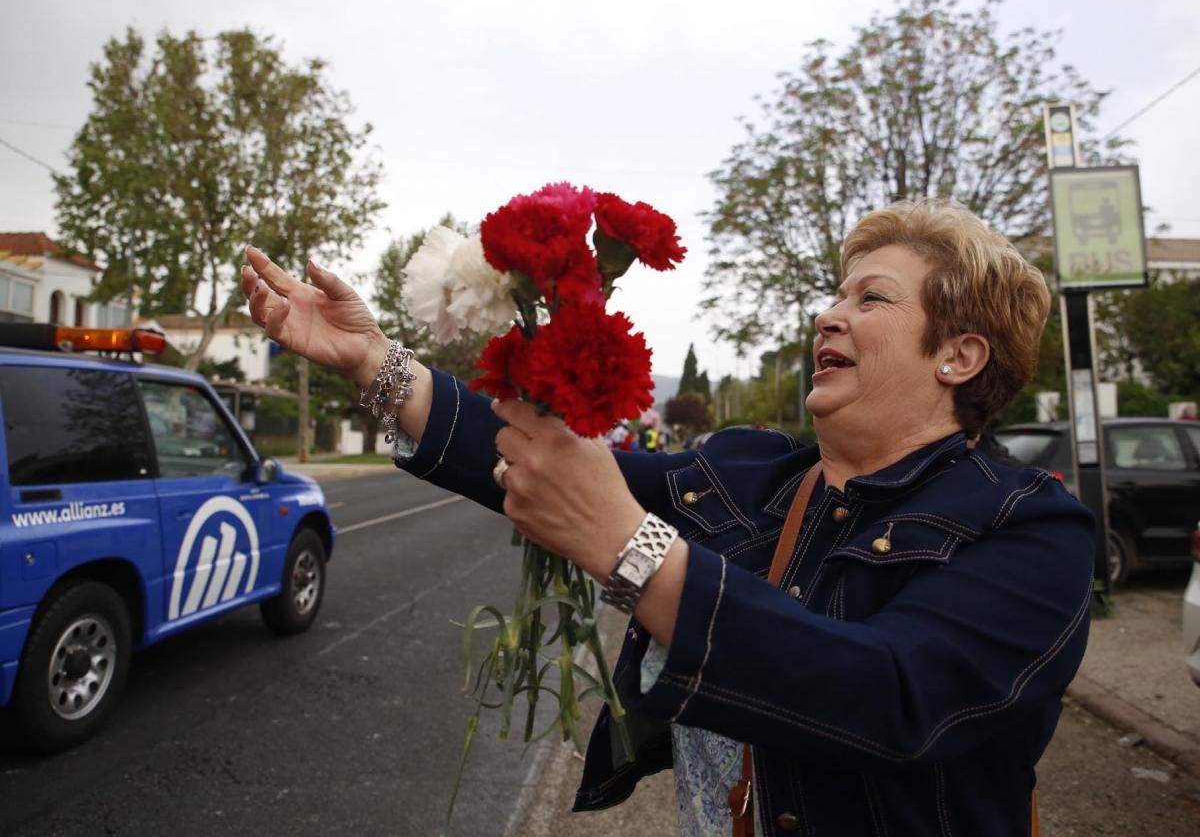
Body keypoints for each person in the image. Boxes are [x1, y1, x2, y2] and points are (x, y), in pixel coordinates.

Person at [241, 199, 1094, 836]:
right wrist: (373, 359)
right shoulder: (749, 470)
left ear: (959, 355)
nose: (828, 315)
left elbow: (894, 696)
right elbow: (532, 461)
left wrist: (632, 550)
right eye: (835, 295)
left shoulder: (1031, 528)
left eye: (872, 300)